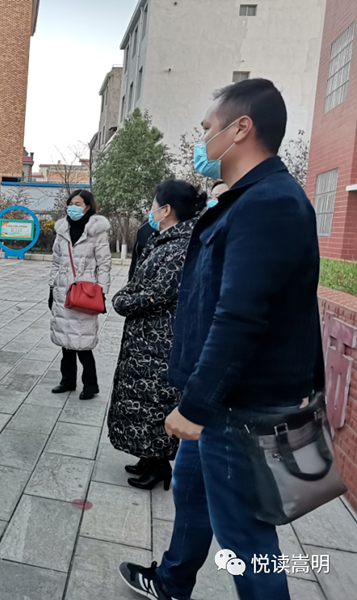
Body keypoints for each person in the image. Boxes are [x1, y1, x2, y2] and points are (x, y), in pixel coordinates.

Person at [119, 79, 321, 600]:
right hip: (220, 401)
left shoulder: (270, 203)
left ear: (240, 129)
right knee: (191, 492)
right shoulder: (243, 200)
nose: (202, 140)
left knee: (245, 538)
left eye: (208, 128)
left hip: (239, 405)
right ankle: (171, 581)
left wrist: (196, 405)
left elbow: (242, 315)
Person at [107, 181, 206, 491]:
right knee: (145, 401)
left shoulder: (181, 246)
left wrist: (123, 301)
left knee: (155, 403)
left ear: (166, 210)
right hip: (147, 339)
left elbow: (160, 292)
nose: (151, 211)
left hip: (161, 341)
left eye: (154, 205)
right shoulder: (165, 240)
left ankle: (159, 465)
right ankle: (148, 458)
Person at [48, 190, 112, 400]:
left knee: (83, 342)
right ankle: (67, 380)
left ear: (87, 207)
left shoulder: (97, 232)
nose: (73, 207)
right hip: (63, 291)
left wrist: (101, 291)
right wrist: (52, 287)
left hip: (86, 293)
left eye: (78, 203)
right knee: (65, 340)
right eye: (71, 203)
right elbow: (56, 262)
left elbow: (104, 264)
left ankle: (91, 385)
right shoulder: (62, 230)